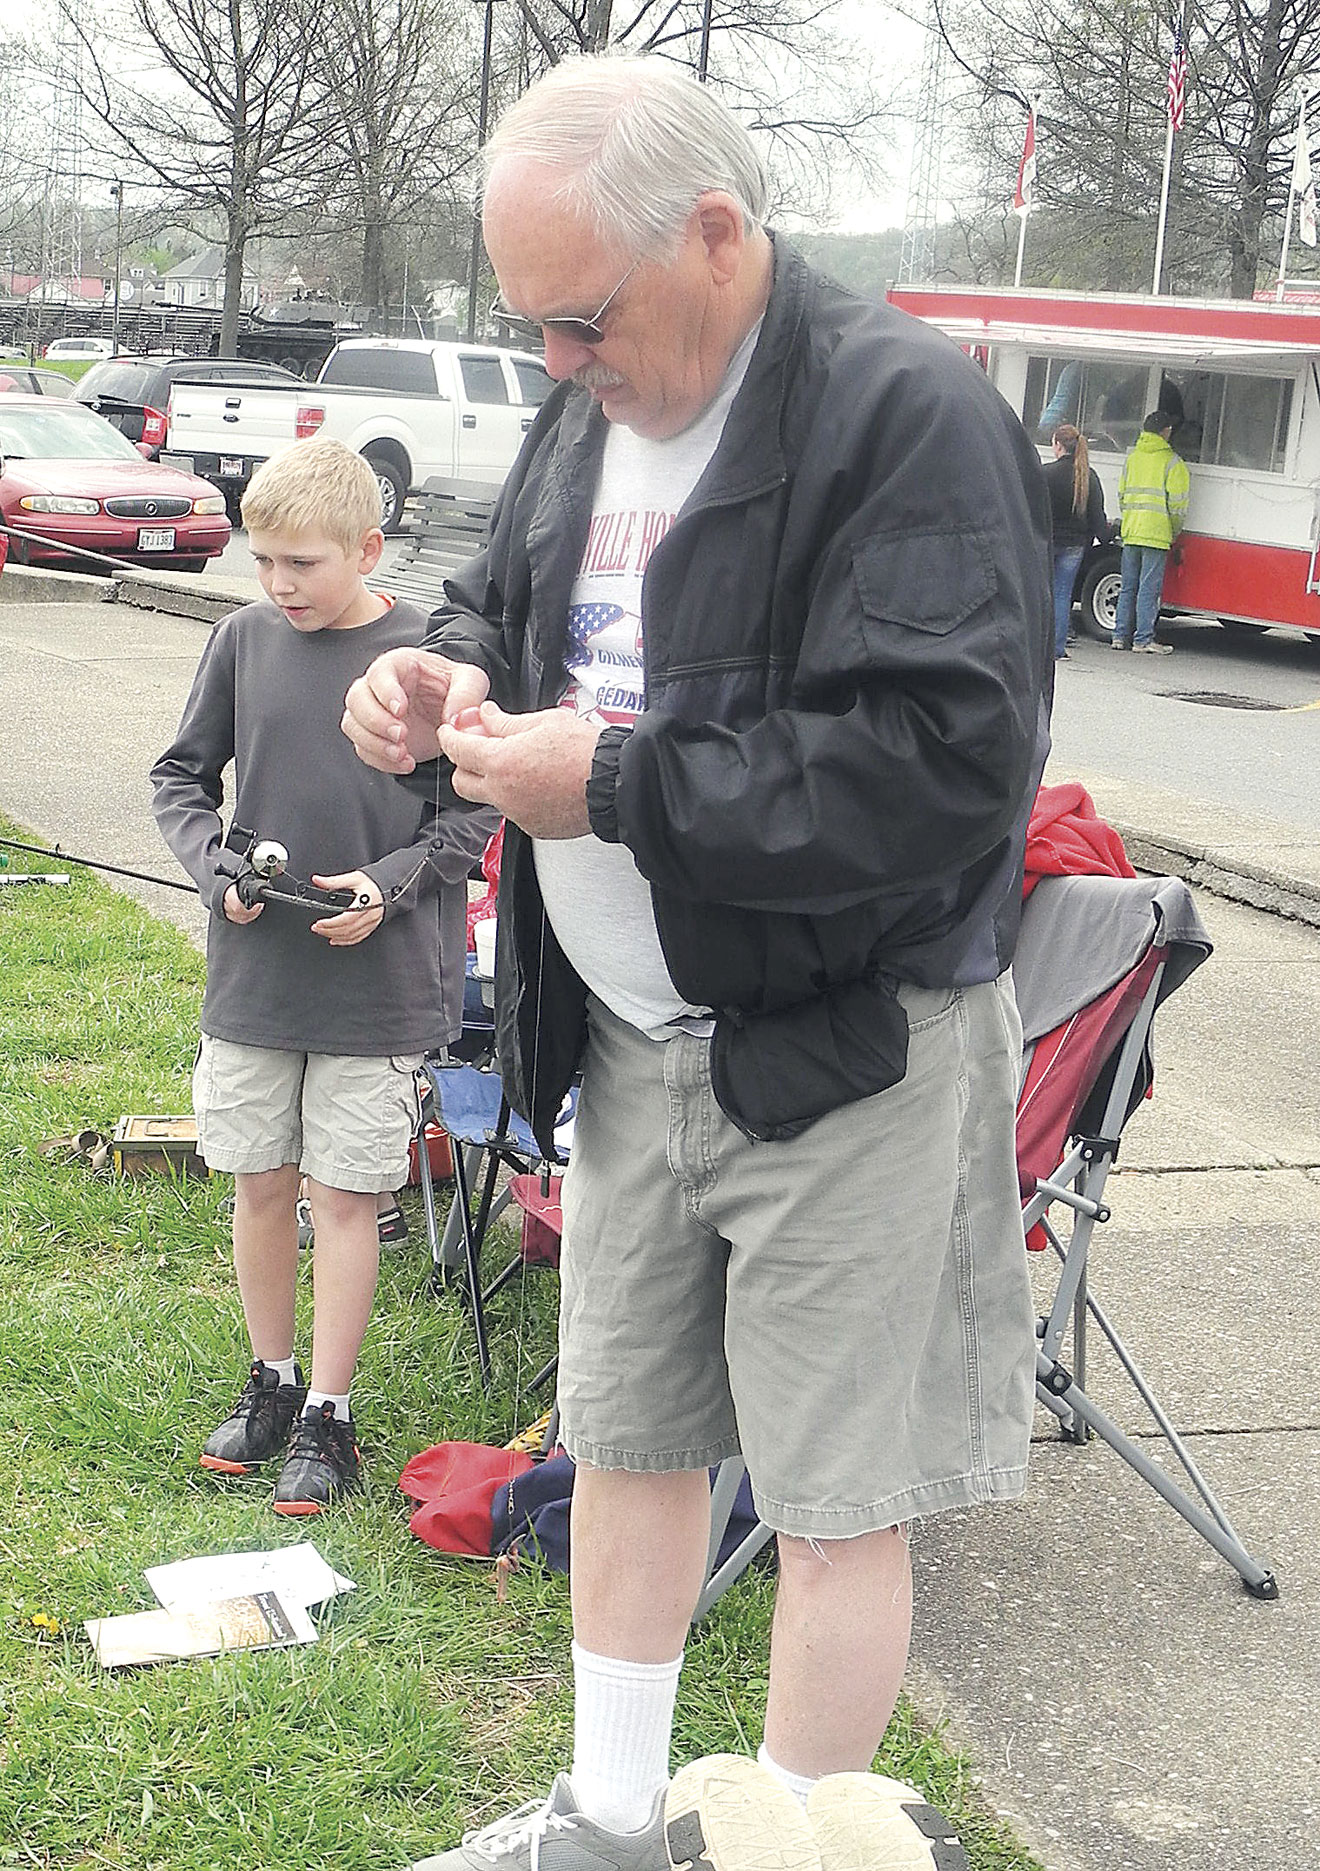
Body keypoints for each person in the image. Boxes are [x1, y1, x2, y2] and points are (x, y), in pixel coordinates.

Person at [342, 55, 1052, 1871]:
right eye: (531, 333)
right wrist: (434, 668)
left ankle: (790, 1847)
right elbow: (506, 601)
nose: (559, 367)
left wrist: (626, 780)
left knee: (832, 1499)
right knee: (635, 1436)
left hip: (845, 1047)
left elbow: (949, 767)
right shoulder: (597, 406)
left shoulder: (905, 413)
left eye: (578, 321)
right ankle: (603, 1818)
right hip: (633, 1039)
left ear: (719, 234)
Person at [151, 437, 492, 1514]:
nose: (278, 584)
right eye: (262, 561)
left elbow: (477, 811)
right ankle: (272, 1380)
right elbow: (180, 776)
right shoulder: (243, 641)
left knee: (345, 1197)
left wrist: (387, 886)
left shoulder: (431, 659)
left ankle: (329, 1415)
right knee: (259, 1183)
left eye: (302, 562)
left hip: (380, 984)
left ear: (368, 547)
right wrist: (216, 873)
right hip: (255, 978)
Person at [1113, 409, 1190, 655]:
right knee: (1148, 589)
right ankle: (1143, 639)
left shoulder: (1133, 458)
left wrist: (1130, 520)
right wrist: (1174, 530)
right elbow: (1178, 504)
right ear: (1166, 431)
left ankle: (1119, 636)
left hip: (1131, 531)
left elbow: (1122, 496)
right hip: (1156, 535)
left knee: (1128, 586)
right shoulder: (1172, 462)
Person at [1042, 423, 1109, 660]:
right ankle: (1057, 649)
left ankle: (1036, 648)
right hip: (1075, 546)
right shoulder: (1088, 476)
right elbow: (1097, 518)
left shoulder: (1045, 474)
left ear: (1058, 445)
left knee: (1041, 593)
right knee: (1062, 595)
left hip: (1046, 541)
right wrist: (1109, 535)